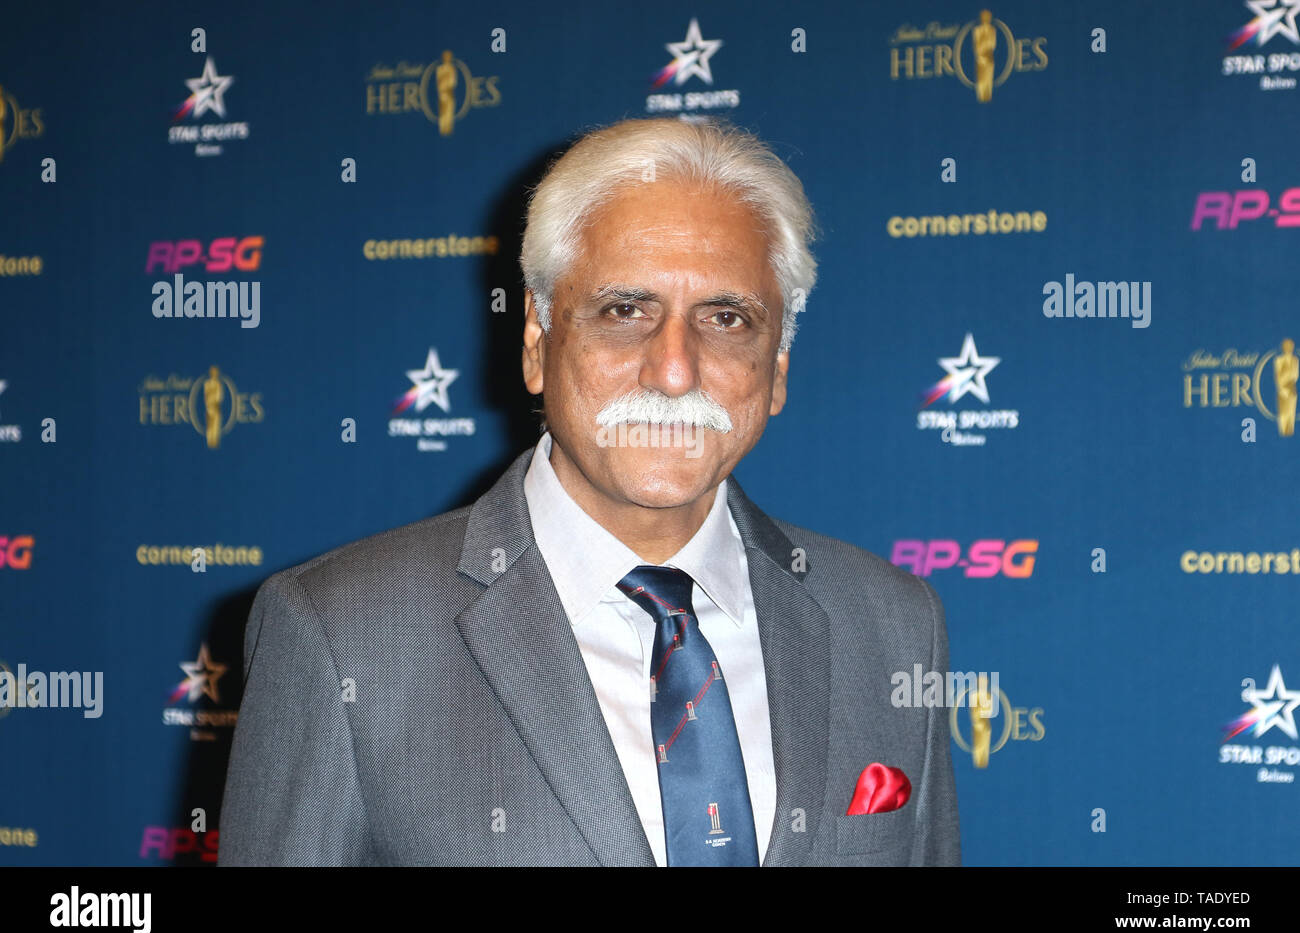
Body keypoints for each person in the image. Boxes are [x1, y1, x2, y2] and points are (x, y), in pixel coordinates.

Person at [218, 117, 960, 866]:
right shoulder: (341, 636)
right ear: (537, 345)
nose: (674, 371)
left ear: (778, 370)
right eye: (624, 311)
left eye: (726, 318)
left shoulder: (893, 624)